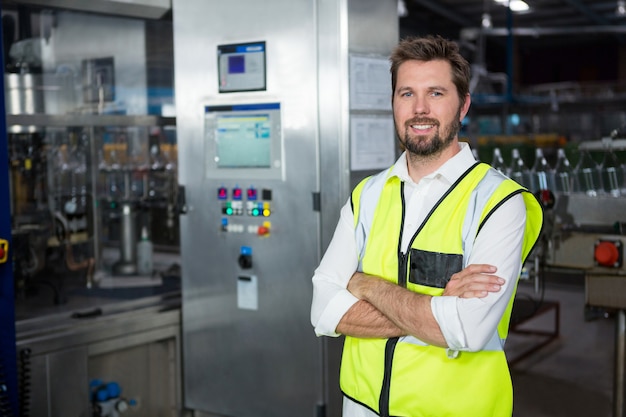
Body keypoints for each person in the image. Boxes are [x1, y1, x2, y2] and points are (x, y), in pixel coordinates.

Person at [310, 35, 544, 417]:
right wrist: (437, 309)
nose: (419, 109)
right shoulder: (367, 195)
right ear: (393, 103)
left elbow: (465, 330)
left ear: (463, 104)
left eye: (435, 93)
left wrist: (362, 284)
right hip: (361, 407)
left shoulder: (499, 202)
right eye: (406, 94)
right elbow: (322, 309)